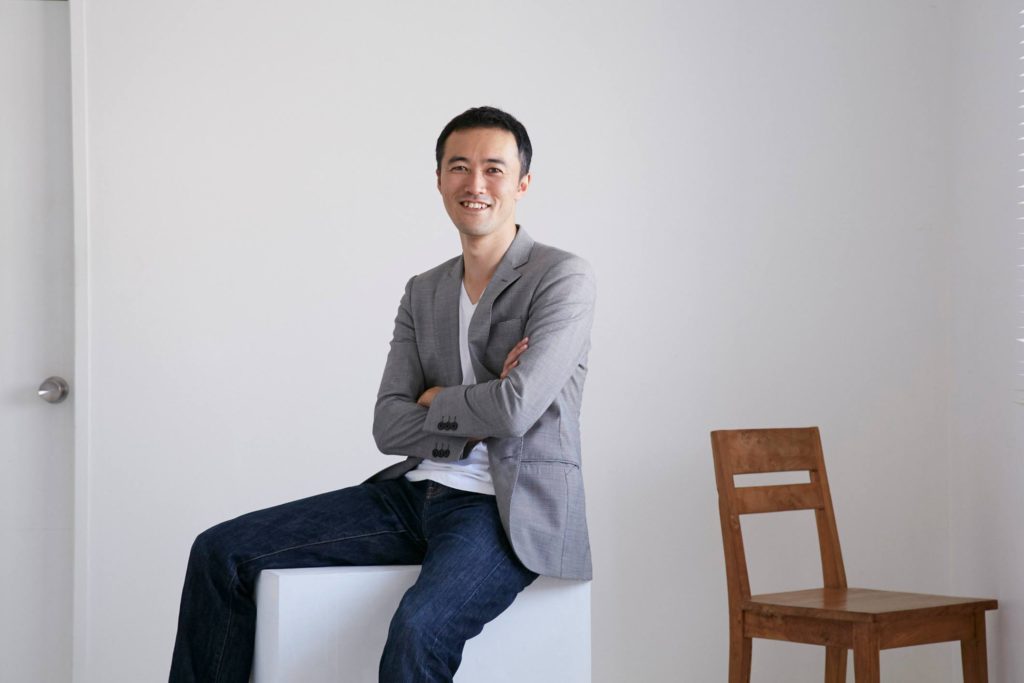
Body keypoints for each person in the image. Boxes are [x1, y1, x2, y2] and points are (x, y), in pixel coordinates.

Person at [169, 105, 596, 683]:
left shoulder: (562, 277)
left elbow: (515, 410)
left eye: (494, 169)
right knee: (220, 552)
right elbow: (388, 425)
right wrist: (480, 401)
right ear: (439, 179)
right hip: (412, 494)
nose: (475, 183)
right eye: (459, 167)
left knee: (419, 631)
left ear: (522, 183)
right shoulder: (424, 290)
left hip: (503, 508)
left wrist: (436, 397)